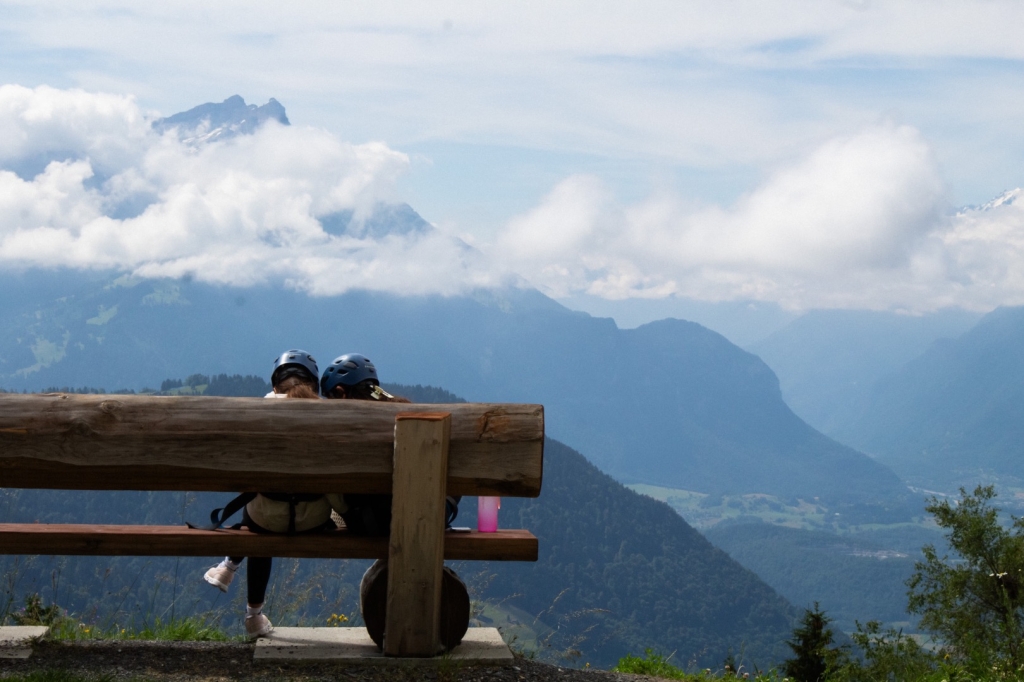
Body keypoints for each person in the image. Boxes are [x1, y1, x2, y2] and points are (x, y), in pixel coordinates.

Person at [201, 349, 346, 639]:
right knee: (281, 513)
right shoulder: (327, 418)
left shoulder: (258, 415)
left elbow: (243, 478)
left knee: (259, 517)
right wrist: (343, 513)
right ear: (314, 384)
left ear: (275, 385)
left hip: (264, 521)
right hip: (312, 523)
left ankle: (245, 599)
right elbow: (335, 488)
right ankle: (230, 571)